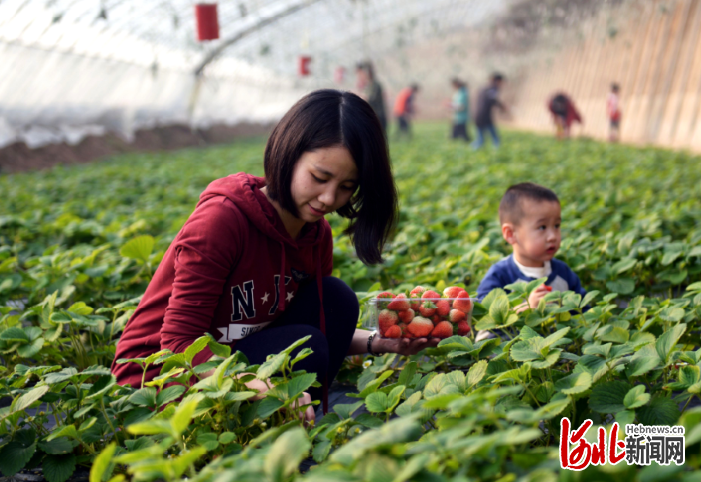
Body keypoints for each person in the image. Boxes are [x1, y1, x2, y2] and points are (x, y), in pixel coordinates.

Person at [112, 90, 439, 423]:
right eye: (320, 177)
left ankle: (288, 428)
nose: (328, 198)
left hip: (229, 362)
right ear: (289, 152)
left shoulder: (315, 234)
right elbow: (178, 343)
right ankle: (265, 433)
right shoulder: (223, 221)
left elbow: (325, 330)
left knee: (336, 301)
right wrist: (250, 383)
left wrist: (379, 342)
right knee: (308, 343)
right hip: (156, 376)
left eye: (346, 187)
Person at [476, 182, 586, 310]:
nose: (553, 236)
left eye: (556, 225)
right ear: (511, 234)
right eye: (542, 227)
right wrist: (525, 308)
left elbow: (583, 310)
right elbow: (482, 318)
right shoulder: (500, 276)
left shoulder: (563, 273)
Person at [472, 73, 506, 149]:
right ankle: (497, 151)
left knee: (480, 139)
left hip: (478, 116)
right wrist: (502, 107)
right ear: (498, 81)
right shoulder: (493, 88)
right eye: (501, 82)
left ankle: (470, 150)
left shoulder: (483, 88)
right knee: (494, 138)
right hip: (485, 117)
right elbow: (493, 100)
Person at [355, 61, 387, 133]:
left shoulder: (375, 85)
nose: (359, 76)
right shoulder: (367, 86)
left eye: (361, 73)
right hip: (371, 118)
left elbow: (369, 100)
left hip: (377, 118)